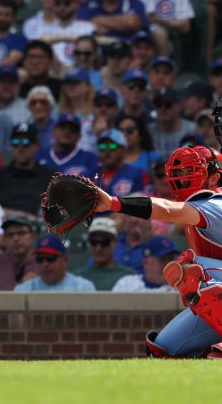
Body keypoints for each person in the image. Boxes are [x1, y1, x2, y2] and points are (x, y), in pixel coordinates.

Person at [90, 144, 222, 357]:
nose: (182, 177)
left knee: (193, 271)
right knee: (162, 349)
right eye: (178, 172)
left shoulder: (215, 204)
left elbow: (168, 210)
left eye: (190, 170)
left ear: (214, 178)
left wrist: (114, 203)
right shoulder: (201, 205)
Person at [0, 123, 56, 219]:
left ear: (36, 145)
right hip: (1, 227)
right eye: (15, 142)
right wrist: (16, 215)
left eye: (25, 142)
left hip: (37, 229)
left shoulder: (49, 176)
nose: (20, 148)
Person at [14, 235, 96, 292]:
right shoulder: (25, 289)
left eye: (50, 258)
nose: (45, 264)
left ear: (64, 260)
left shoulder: (83, 288)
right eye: (40, 259)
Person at [73, 217, 136, 290]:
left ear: (115, 242)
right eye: (94, 242)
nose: (98, 248)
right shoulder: (77, 278)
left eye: (104, 242)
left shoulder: (129, 278)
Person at [36, 114, 100, 180]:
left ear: (79, 136)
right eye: (63, 128)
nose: (67, 132)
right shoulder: (39, 156)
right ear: (54, 131)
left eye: (72, 129)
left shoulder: (90, 160)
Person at [0, 214, 37, 290]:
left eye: (21, 233)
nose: (16, 239)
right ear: (4, 239)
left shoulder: (44, 261)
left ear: (32, 236)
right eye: (10, 235)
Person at [112, 235, 177, 292]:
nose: (169, 265)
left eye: (171, 260)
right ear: (145, 262)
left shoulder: (179, 289)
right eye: (163, 260)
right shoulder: (126, 284)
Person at [97, 128, 149, 197]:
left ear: (124, 150)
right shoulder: (89, 175)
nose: (107, 150)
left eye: (113, 146)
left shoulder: (138, 174)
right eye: (102, 146)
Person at [147, 87, 195, 158]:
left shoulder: (192, 130)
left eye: (168, 104)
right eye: (158, 105)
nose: (163, 109)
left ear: (179, 106)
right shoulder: (149, 132)